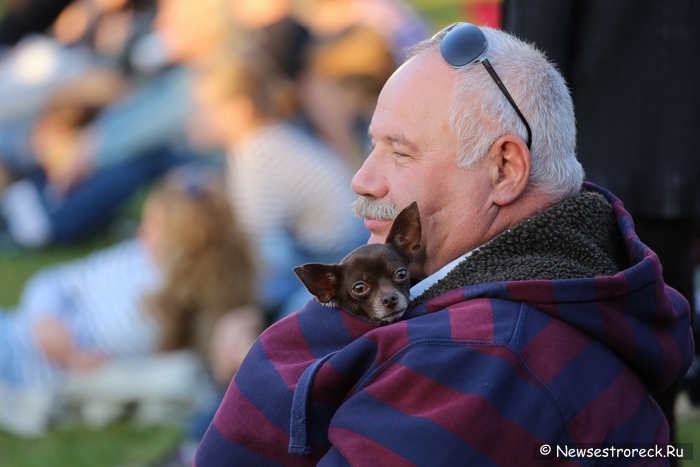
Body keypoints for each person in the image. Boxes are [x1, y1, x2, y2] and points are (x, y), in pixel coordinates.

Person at [194, 24, 694, 465]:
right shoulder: (545, 291)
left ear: (504, 170)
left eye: (400, 151)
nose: (363, 179)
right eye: (372, 144)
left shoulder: (478, 363)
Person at [500, 2, 700, 462]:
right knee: (650, 386)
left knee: (568, 384)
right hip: (668, 169)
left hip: (578, 184)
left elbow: (528, 67)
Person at [0, 165, 261, 437]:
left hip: (28, 372)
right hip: (17, 329)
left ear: (185, 247)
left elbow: (138, 376)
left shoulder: (170, 310)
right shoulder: (137, 256)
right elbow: (56, 280)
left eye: (152, 227)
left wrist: (90, 366)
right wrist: (45, 318)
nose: (140, 232)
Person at [193, 49, 367, 321]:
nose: (195, 118)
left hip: (342, 258)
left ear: (241, 110)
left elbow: (258, 246)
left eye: (206, 108)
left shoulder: (256, 154)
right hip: (339, 245)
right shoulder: (272, 135)